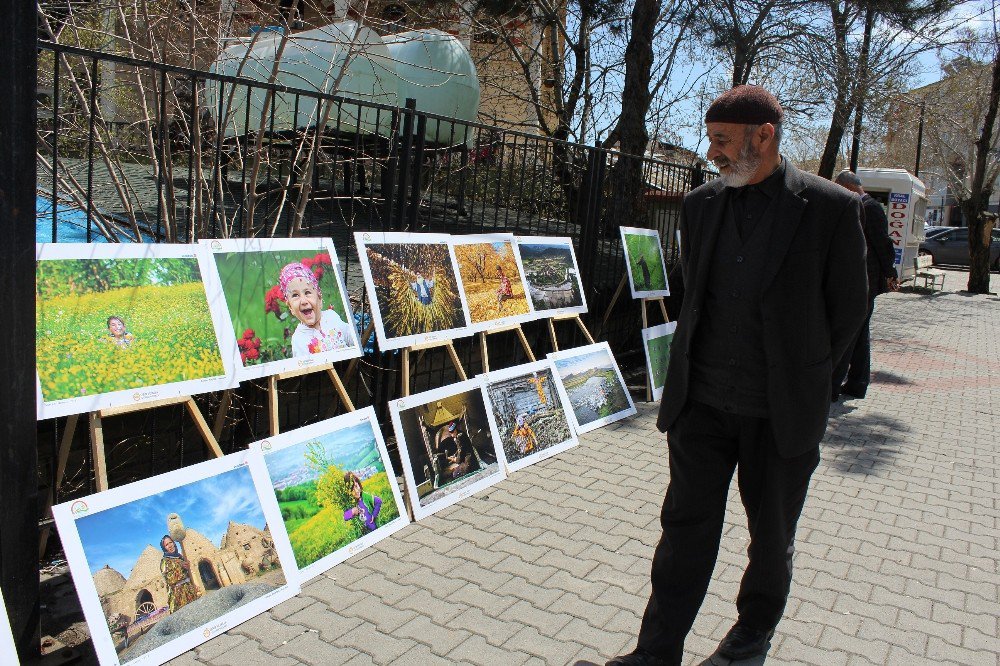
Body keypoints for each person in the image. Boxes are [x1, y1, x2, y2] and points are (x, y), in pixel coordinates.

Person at [608, 86, 868, 666]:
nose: (713, 152)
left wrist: (813, 384)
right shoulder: (701, 205)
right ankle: (655, 652)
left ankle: (751, 634)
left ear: (764, 136)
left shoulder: (829, 208)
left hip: (779, 413)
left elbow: (851, 308)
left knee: (770, 537)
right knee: (683, 532)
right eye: (711, 140)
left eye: (722, 141)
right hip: (701, 405)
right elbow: (696, 296)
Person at [832, 170, 900, 400]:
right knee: (859, 333)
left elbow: (883, 243)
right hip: (860, 279)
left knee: (853, 331)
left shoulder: (869, 207)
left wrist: (890, 273)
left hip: (866, 280)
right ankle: (856, 383)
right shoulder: (861, 206)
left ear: (847, 186)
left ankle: (844, 383)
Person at [279, 262, 354, 357]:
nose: (303, 301)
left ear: (319, 298)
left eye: (307, 292)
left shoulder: (331, 316)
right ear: (290, 307)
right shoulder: (299, 339)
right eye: (295, 295)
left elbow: (351, 337)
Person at [159, 535, 200, 612]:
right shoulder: (165, 561)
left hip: (190, 590)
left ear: (174, 543)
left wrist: (194, 585)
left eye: (170, 542)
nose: (170, 545)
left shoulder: (180, 557)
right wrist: (181, 567)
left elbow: (188, 575)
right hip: (178, 596)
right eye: (166, 545)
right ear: (164, 548)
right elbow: (169, 580)